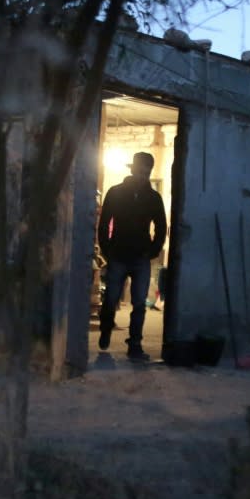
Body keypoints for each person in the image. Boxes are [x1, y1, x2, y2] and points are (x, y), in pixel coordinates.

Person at [97, 151, 167, 360]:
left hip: (140, 257)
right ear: (133, 169)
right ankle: (106, 330)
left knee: (138, 303)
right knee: (111, 299)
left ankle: (135, 344)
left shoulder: (153, 198)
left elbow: (162, 227)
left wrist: (152, 250)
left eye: (146, 172)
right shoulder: (116, 192)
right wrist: (107, 250)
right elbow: (104, 223)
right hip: (118, 254)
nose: (142, 175)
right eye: (140, 170)